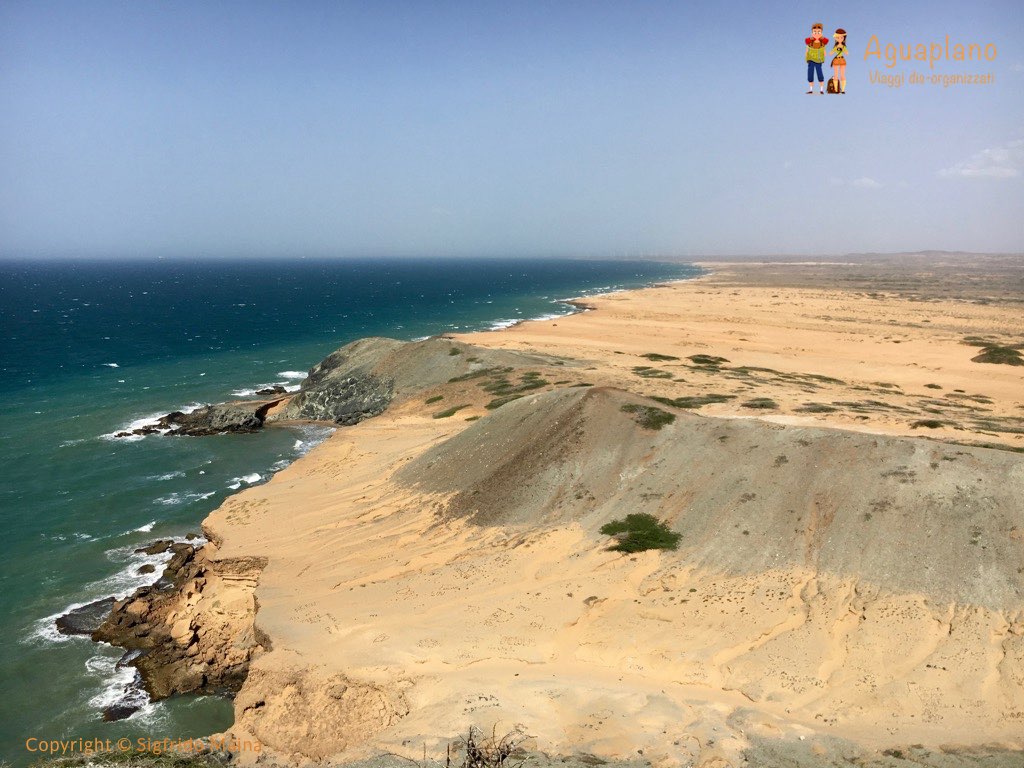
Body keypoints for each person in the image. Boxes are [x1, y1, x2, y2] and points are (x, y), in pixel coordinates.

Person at [805, 23, 828, 94]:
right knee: (810, 74)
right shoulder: (810, 42)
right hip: (811, 60)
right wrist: (806, 57)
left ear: (821, 33)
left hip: (818, 60)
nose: (817, 34)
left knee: (819, 74)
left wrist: (824, 55)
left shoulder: (822, 43)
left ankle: (821, 89)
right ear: (812, 33)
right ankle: (811, 89)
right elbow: (807, 49)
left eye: (819, 32)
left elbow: (824, 49)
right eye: (815, 32)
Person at [831, 28, 848, 94]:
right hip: (837, 60)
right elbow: (831, 53)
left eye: (841, 37)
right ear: (835, 38)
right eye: (838, 37)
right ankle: (836, 89)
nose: (840, 39)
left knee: (842, 75)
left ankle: (843, 89)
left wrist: (843, 49)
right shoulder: (836, 47)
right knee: (836, 75)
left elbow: (847, 53)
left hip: (842, 60)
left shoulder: (843, 47)